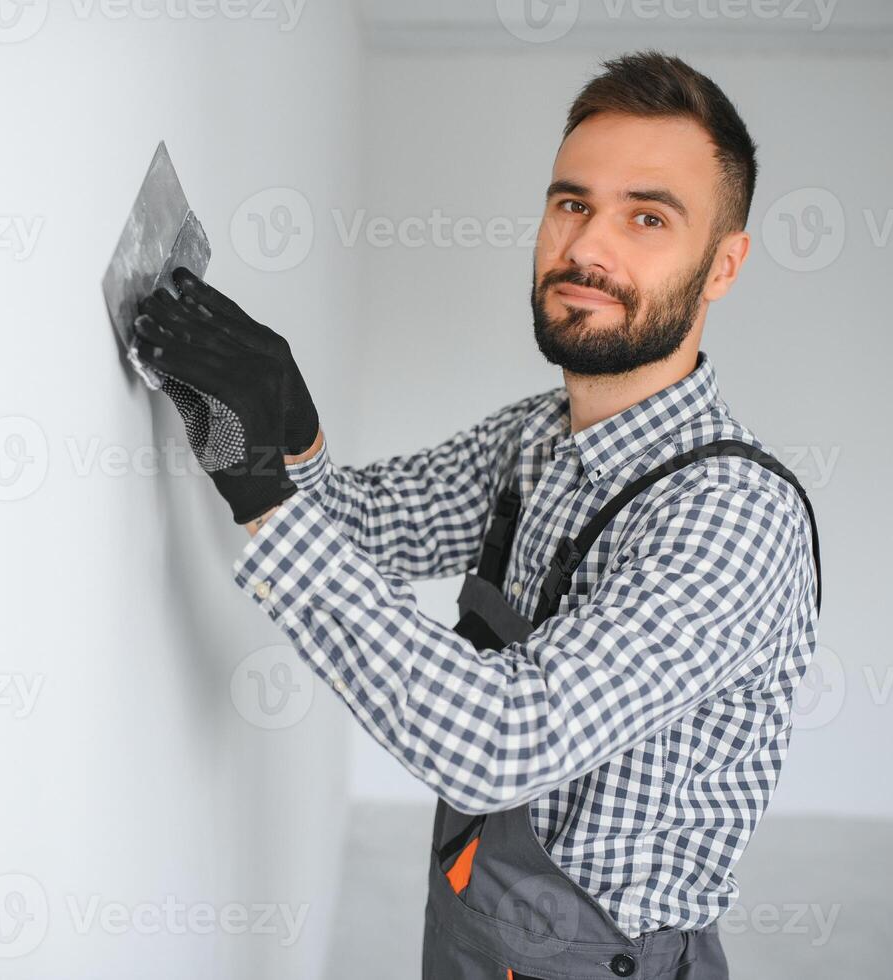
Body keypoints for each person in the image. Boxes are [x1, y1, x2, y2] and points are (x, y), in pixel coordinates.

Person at [132, 50, 821, 980]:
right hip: (471, 916)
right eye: (571, 203)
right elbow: (361, 526)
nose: (586, 248)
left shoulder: (732, 518)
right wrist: (286, 433)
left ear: (721, 266)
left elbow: (504, 743)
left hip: (597, 959)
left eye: (647, 217)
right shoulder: (536, 438)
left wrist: (263, 493)